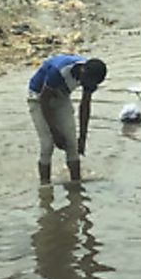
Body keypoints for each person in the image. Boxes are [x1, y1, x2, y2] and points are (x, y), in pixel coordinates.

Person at [28, 54, 106, 184]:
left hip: (61, 96)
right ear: (82, 71)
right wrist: (55, 132)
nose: (88, 86)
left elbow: (85, 106)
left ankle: (76, 187)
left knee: (72, 145)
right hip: (38, 97)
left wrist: (82, 137)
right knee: (47, 145)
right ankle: (45, 186)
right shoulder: (59, 71)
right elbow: (44, 101)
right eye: (87, 82)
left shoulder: (91, 77)